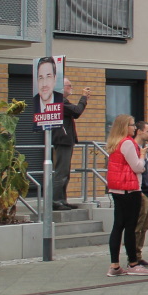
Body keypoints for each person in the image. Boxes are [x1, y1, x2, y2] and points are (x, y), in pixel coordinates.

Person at [105, 114, 148, 277]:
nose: (134, 128)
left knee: (118, 226)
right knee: (130, 227)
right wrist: (142, 155)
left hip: (117, 189)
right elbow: (137, 167)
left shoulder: (114, 142)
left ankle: (115, 265)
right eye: (132, 125)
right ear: (125, 127)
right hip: (130, 189)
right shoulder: (127, 143)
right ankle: (133, 263)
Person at [51, 77, 90, 210]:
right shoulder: (60, 101)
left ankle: (62, 200)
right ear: (61, 88)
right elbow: (76, 111)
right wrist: (83, 98)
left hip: (65, 140)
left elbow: (75, 113)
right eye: (69, 85)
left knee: (65, 173)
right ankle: (56, 201)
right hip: (62, 140)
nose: (71, 88)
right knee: (61, 172)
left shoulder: (61, 101)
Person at [132, 121, 148, 263]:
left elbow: (147, 170)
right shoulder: (133, 148)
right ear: (139, 131)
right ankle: (133, 256)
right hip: (140, 191)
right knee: (138, 226)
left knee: (145, 226)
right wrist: (138, 190)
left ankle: (138, 254)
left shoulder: (145, 148)